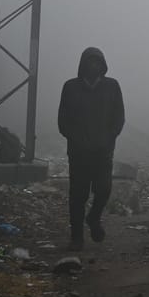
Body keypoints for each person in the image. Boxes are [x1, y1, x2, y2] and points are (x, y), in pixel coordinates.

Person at [57, 47, 126, 251]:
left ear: (103, 65)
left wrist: (109, 137)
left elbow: (119, 116)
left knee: (104, 189)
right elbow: (63, 120)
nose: (93, 66)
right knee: (78, 195)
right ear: (82, 65)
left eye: (97, 62)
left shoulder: (112, 86)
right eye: (90, 62)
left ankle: (94, 217)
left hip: (103, 151)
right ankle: (76, 237)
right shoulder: (70, 87)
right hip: (78, 153)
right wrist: (76, 139)